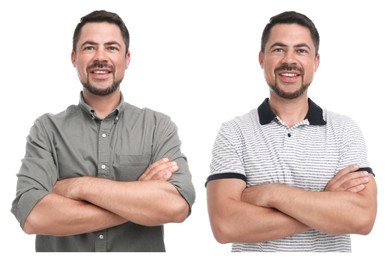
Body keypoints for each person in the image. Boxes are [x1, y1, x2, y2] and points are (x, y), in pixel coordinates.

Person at [11, 10, 195, 252]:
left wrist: (78, 187)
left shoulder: (157, 127)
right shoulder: (47, 130)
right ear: (74, 58)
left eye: (111, 48)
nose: (100, 57)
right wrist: (138, 197)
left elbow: (177, 206)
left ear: (127, 59)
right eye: (89, 48)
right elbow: (33, 215)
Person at [206, 11, 377, 252]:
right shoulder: (234, 132)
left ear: (316, 62)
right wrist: (325, 204)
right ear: (261, 59)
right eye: (278, 49)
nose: (289, 60)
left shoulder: (344, 130)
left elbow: (362, 218)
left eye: (301, 50)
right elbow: (225, 225)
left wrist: (271, 193)